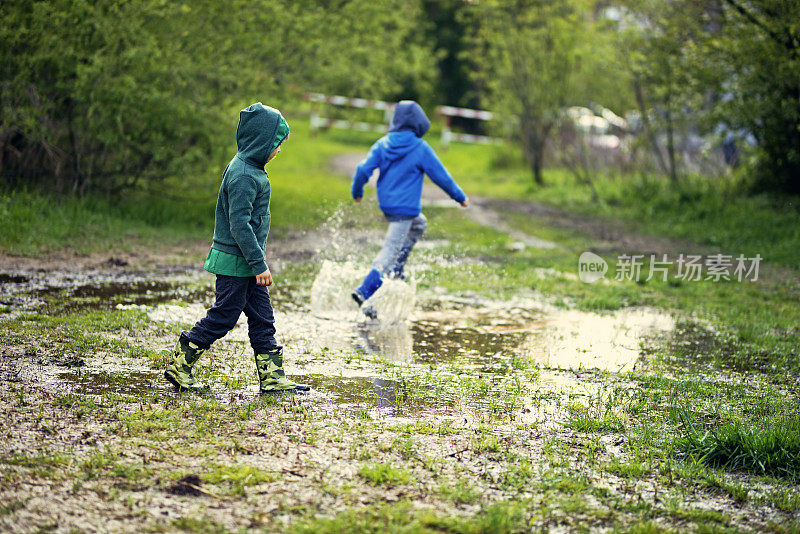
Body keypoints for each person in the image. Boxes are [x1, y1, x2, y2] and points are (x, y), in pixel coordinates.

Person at [164, 103, 309, 393]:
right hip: (235, 262)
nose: (278, 150)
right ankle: (181, 364)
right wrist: (259, 264)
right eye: (276, 144)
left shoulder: (251, 168)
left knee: (262, 318)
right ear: (260, 142)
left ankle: (272, 377)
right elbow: (239, 226)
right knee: (224, 316)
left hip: (246, 263)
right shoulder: (243, 175)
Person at [351, 100, 468, 317]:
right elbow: (441, 176)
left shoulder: (382, 143)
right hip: (404, 208)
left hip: (388, 205)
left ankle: (396, 269)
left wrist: (357, 192)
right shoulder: (420, 148)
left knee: (419, 224)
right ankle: (365, 289)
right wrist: (459, 196)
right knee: (390, 248)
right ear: (419, 122)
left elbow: (362, 169)